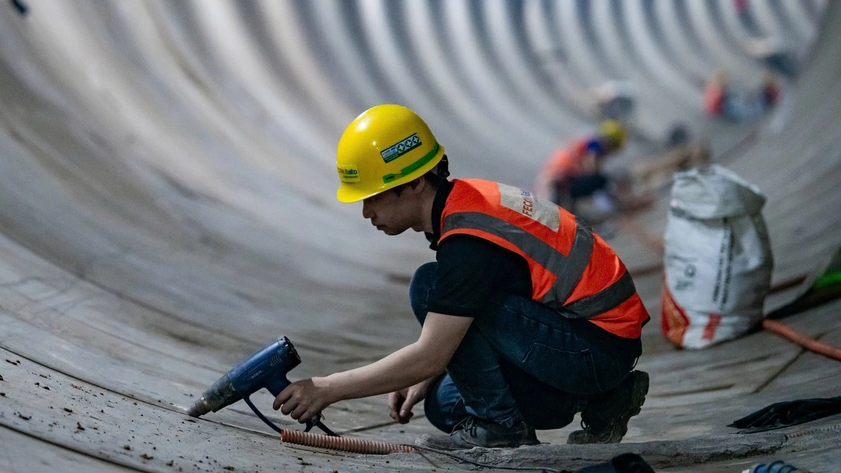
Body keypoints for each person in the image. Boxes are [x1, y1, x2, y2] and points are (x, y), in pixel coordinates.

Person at [273, 105, 650, 449]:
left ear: (416, 182)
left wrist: (325, 388)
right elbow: (492, 305)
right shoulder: (467, 203)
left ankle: (504, 427)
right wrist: (422, 377)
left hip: (595, 346)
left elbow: (431, 354)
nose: (367, 211)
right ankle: (606, 400)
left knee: (429, 286)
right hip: (594, 340)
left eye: (374, 196)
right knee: (443, 403)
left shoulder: (468, 241)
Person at [535, 120, 627, 215]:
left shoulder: (587, 138)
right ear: (610, 141)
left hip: (555, 176)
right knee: (600, 180)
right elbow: (591, 166)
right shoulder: (595, 144)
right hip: (562, 177)